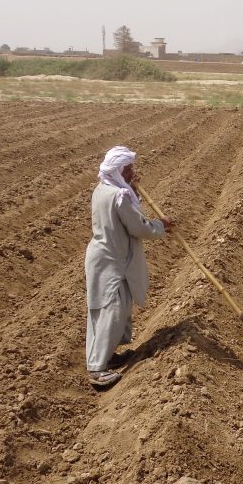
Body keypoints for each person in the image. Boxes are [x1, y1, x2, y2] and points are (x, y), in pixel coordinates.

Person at [85, 146, 173, 388]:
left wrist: (132, 189)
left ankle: (108, 356)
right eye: (129, 169)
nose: (133, 172)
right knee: (111, 311)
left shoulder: (103, 189)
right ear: (118, 170)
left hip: (105, 256)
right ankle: (97, 369)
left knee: (112, 308)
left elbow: (127, 214)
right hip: (113, 260)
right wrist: (161, 225)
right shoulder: (119, 196)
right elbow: (139, 227)